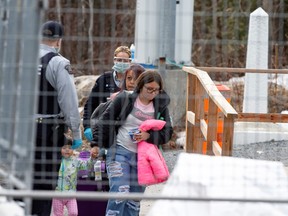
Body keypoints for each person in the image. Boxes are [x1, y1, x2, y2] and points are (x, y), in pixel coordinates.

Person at [91, 70, 173, 216]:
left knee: (134, 200)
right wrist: (96, 144)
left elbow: (167, 133)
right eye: (149, 89)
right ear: (141, 86)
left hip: (143, 158)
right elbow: (104, 121)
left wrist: (148, 136)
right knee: (119, 193)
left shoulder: (160, 106)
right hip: (119, 151)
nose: (153, 93)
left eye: (156, 90)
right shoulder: (125, 98)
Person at [32, 20, 82, 216]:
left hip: (20, 131)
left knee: (20, 184)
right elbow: (68, 101)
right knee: (43, 187)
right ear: (59, 40)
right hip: (47, 132)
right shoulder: (58, 62)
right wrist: (76, 132)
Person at [83, 46, 132, 141]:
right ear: (114, 60)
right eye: (119, 60)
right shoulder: (104, 79)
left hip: (126, 129)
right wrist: (87, 126)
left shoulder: (134, 81)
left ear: (130, 62)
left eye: (125, 61)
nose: (122, 63)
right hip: (105, 128)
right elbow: (90, 104)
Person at [51, 138, 99, 216]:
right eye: (64, 148)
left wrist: (92, 158)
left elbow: (86, 165)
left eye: (69, 148)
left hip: (71, 194)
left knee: (74, 213)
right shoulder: (57, 160)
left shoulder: (75, 161)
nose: (67, 150)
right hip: (57, 194)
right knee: (57, 214)